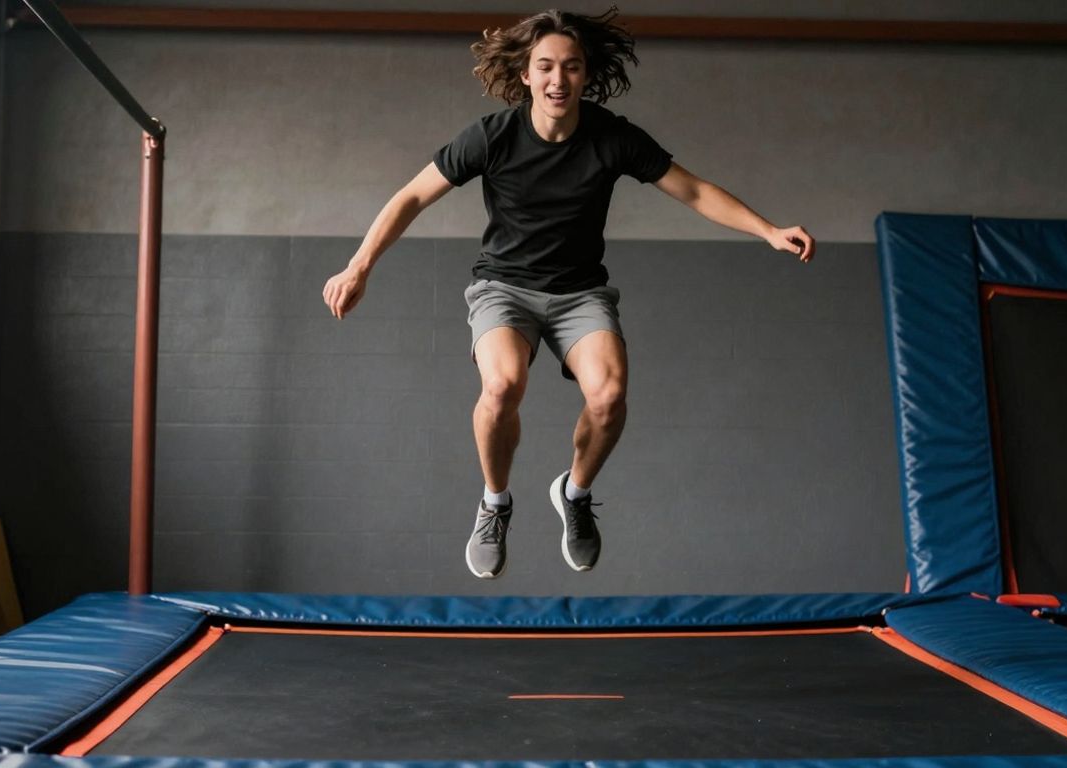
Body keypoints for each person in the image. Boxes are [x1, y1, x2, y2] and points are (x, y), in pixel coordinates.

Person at [322, 8, 814, 580]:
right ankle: (495, 504)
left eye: (572, 68)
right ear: (527, 75)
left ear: (586, 75)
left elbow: (696, 191)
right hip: (504, 289)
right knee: (503, 383)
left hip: (580, 294)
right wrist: (359, 267)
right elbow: (411, 196)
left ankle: (575, 495)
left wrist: (770, 231)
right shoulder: (493, 136)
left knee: (609, 396)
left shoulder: (612, 137)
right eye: (547, 67)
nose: (559, 80)